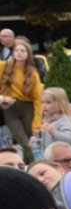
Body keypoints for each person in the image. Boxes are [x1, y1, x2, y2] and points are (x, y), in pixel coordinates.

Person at [0, 35, 42, 163]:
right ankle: (39, 166)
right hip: (9, 109)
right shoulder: (3, 66)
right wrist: (2, 98)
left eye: (22, 51)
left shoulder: (32, 73)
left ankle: (27, 171)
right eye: (16, 50)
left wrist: (36, 125)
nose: (18, 53)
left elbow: (37, 99)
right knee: (25, 144)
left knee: (30, 143)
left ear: (28, 54)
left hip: (27, 108)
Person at [37, 86, 71, 152]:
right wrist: (37, 142)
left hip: (60, 159)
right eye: (42, 102)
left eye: (48, 102)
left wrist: (53, 132)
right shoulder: (46, 120)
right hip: (47, 158)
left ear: (60, 103)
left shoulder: (63, 121)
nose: (44, 105)